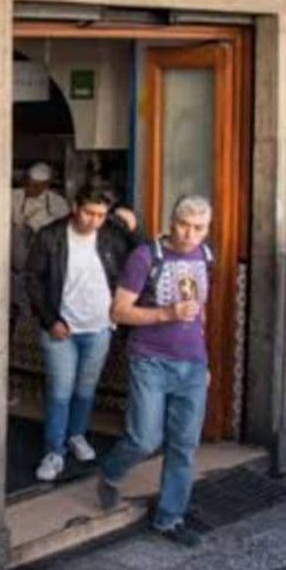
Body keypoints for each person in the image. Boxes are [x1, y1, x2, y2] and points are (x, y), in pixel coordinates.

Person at [96, 195, 214, 548]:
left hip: (192, 364)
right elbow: (118, 312)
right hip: (150, 360)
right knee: (145, 438)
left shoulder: (205, 257)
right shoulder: (145, 257)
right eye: (184, 225)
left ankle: (169, 518)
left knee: (184, 445)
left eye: (199, 228)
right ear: (171, 221)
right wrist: (165, 314)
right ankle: (111, 472)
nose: (190, 235)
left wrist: (204, 360)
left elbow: (200, 313)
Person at [25, 187, 141, 482]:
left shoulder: (111, 234)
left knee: (85, 389)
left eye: (101, 215)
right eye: (89, 213)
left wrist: (133, 228)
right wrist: (50, 320)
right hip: (61, 328)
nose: (93, 221)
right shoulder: (50, 236)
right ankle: (54, 451)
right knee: (60, 392)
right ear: (75, 207)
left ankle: (76, 435)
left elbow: (143, 256)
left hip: (100, 326)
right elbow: (33, 279)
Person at [10, 164, 71, 345]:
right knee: (17, 302)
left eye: (39, 185)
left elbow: (63, 231)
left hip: (43, 263)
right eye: (31, 183)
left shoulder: (57, 202)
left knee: (40, 301)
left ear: (47, 184)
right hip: (16, 261)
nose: (34, 189)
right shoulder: (12, 197)